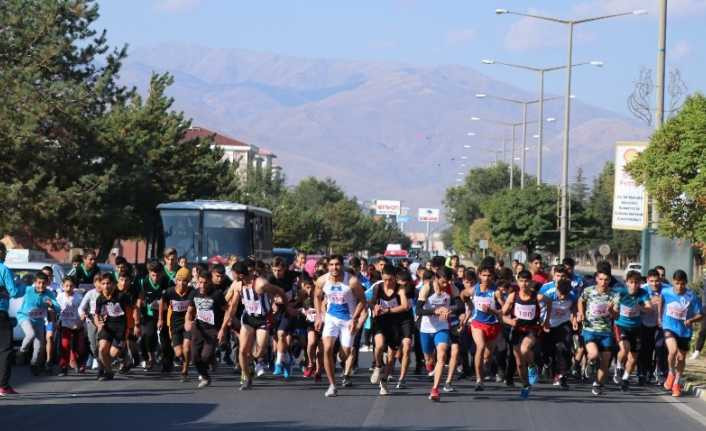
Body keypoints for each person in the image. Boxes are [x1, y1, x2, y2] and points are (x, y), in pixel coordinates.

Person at [220, 261, 285, 390]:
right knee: (243, 350)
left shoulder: (261, 283)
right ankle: (246, 377)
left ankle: (255, 360)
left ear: (240, 274)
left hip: (263, 319)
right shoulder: (238, 285)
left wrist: (284, 304)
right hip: (249, 318)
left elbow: (278, 290)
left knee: (259, 351)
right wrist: (226, 323)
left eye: (234, 274)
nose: (232, 277)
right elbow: (233, 306)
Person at [314, 255, 367, 397]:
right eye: (331, 265)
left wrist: (355, 318)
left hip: (348, 320)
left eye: (337, 264)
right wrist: (319, 316)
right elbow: (317, 296)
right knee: (327, 349)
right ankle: (332, 385)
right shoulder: (322, 280)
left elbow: (362, 300)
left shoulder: (352, 281)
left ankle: (340, 358)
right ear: (327, 266)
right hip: (331, 318)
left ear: (342, 265)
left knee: (345, 354)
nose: (334, 267)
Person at [503, 270, 550, 399]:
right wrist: (510, 321)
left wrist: (546, 320)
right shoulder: (513, 296)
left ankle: (532, 365)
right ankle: (525, 385)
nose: (524, 284)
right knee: (519, 362)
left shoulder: (537, 297)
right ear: (517, 282)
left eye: (527, 281)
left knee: (524, 349)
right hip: (517, 330)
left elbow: (549, 302)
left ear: (531, 282)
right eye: (521, 281)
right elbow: (503, 315)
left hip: (532, 329)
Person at [659, 270, 703, 397]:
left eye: (682, 284)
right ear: (673, 282)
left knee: (681, 358)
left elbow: (701, 314)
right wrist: (660, 317)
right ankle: (671, 373)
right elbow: (661, 301)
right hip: (669, 327)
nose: (679, 287)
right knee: (672, 351)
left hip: (684, 331)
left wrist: (691, 320)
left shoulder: (692, 297)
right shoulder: (666, 291)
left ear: (686, 283)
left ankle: (677, 383)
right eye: (677, 283)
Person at [369, 264, 409, 395]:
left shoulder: (400, 288)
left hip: (395, 323)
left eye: (390, 279)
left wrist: (388, 310)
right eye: (385, 279)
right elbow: (372, 301)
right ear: (382, 276)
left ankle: (384, 381)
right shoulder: (378, 287)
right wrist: (375, 307)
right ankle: (378, 366)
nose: (387, 282)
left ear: (395, 278)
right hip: (380, 321)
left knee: (391, 356)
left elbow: (404, 306)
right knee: (379, 346)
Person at [186, 269, 228, 389]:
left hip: (212, 330)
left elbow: (227, 311)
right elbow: (190, 311)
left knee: (204, 357)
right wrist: (187, 321)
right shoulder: (194, 293)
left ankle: (210, 361)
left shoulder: (217, 294)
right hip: (198, 328)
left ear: (210, 282)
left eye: (205, 283)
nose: (202, 285)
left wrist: (222, 329)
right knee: (194, 357)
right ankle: (205, 376)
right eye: (200, 282)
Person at [578, 268, 615, 396]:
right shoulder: (588, 291)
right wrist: (581, 313)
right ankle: (589, 363)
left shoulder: (614, 295)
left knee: (605, 362)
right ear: (596, 279)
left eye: (606, 280)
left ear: (609, 280)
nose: (603, 282)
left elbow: (616, 315)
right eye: (600, 279)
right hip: (590, 329)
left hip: (606, 332)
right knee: (593, 354)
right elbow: (580, 301)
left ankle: (598, 384)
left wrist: (611, 310)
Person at [416, 268, 452, 401]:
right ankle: (429, 366)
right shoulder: (427, 288)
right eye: (443, 282)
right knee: (429, 360)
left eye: (447, 282)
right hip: (426, 328)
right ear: (436, 278)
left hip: (442, 327)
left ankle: (435, 389)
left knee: (441, 356)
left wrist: (449, 310)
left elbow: (459, 305)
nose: (445, 285)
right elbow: (418, 310)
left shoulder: (451, 288)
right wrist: (435, 311)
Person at [94, 273, 138, 381]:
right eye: (103, 283)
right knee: (102, 349)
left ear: (114, 284)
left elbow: (134, 308)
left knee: (112, 353)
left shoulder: (122, 296)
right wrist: (99, 323)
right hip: (107, 327)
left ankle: (117, 358)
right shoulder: (100, 298)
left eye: (108, 283)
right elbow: (97, 315)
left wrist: (136, 325)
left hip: (120, 328)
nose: (106, 286)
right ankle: (108, 372)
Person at [612, 270, 651, 391]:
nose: (634, 285)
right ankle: (618, 366)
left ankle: (625, 379)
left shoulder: (643, 293)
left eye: (636, 283)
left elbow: (649, 308)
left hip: (636, 327)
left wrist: (640, 307)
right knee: (624, 349)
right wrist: (615, 307)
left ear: (640, 283)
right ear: (627, 283)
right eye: (631, 282)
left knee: (633, 358)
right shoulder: (621, 292)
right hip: (621, 325)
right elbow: (614, 306)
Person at [17, 272, 60, 375]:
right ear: (35, 283)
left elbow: (58, 307)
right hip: (25, 317)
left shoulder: (49, 293)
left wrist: (52, 304)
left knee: (39, 345)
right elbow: (15, 291)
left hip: (39, 320)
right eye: (39, 283)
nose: (41, 285)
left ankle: (34, 364)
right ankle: (22, 351)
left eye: (43, 283)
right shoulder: (28, 290)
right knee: (30, 334)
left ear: (47, 284)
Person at [469, 264, 503, 391]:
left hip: (493, 325)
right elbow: (463, 294)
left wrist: (492, 311)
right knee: (480, 346)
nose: (486, 278)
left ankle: (485, 368)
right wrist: (467, 305)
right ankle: (479, 380)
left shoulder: (496, 292)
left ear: (493, 276)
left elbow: (504, 311)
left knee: (487, 357)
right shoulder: (475, 289)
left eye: (489, 275)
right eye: (484, 275)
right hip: (477, 323)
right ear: (479, 276)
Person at [160, 268, 195, 382]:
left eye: (184, 280)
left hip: (187, 323)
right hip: (174, 324)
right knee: (179, 352)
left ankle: (185, 371)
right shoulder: (170, 292)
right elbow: (162, 303)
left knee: (186, 348)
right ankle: (182, 361)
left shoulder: (192, 292)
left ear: (188, 281)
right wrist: (160, 319)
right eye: (179, 280)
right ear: (176, 280)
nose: (181, 283)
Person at [136, 260, 171, 371]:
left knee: (165, 340)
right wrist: (137, 317)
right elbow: (139, 299)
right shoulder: (143, 282)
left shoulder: (167, 281)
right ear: (149, 273)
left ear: (162, 273)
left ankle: (167, 362)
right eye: (153, 275)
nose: (155, 278)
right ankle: (149, 358)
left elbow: (164, 300)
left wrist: (161, 318)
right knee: (147, 335)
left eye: (158, 275)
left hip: (164, 313)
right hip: (148, 314)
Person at [543, 278, 577, 389]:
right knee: (548, 350)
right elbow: (539, 307)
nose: (562, 297)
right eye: (560, 294)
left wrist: (574, 318)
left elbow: (574, 307)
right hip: (547, 325)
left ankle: (562, 375)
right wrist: (544, 322)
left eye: (565, 295)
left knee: (563, 349)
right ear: (556, 290)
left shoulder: (572, 295)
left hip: (563, 324)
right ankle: (547, 366)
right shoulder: (548, 294)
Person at [268, 256, 300, 378]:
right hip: (275, 312)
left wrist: (298, 298)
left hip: (288, 310)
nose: (277, 273)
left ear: (285, 269)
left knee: (283, 335)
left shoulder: (291, 275)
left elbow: (304, 278)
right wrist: (273, 302)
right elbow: (266, 294)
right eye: (274, 270)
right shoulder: (270, 279)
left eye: (279, 270)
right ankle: (287, 360)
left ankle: (278, 363)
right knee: (277, 341)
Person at [639, 269, 668, 385]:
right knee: (646, 349)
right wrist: (649, 303)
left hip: (661, 324)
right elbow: (636, 304)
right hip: (645, 323)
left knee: (660, 347)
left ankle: (661, 373)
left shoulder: (667, 289)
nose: (654, 284)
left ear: (660, 280)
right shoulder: (642, 290)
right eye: (651, 281)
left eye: (657, 281)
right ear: (647, 280)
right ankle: (644, 373)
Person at [0, 242, 21, 395]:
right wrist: (22, 286)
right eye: (4, 251)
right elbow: (13, 292)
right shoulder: (4, 269)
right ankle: (3, 385)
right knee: (5, 349)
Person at [56, 276, 85, 376]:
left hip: (77, 325)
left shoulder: (78, 297)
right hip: (65, 324)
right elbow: (57, 310)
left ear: (74, 287)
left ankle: (79, 362)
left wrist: (82, 317)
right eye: (66, 286)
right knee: (65, 345)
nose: (68, 288)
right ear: (63, 286)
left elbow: (82, 309)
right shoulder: (60, 297)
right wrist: (57, 321)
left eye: (71, 286)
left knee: (78, 347)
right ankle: (63, 367)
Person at [298, 274, 323, 380]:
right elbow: (296, 305)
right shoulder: (301, 295)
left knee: (320, 349)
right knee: (311, 342)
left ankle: (318, 371)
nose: (309, 290)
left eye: (311, 287)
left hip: (323, 323)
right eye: (307, 287)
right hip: (310, 323)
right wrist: (303, 310)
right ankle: (310, 363)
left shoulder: (321, 294)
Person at [78, 273, 103, 371]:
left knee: (101, 341)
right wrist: (82, 314)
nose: (100, 285)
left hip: (103, 320)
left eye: (102, 282)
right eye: (98, 282)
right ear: (94, 283)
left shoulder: (107, 293)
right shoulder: (90, 293)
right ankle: (96, 358)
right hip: (91, 320)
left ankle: (101, 362)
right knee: (93, 344)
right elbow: (81, 307)